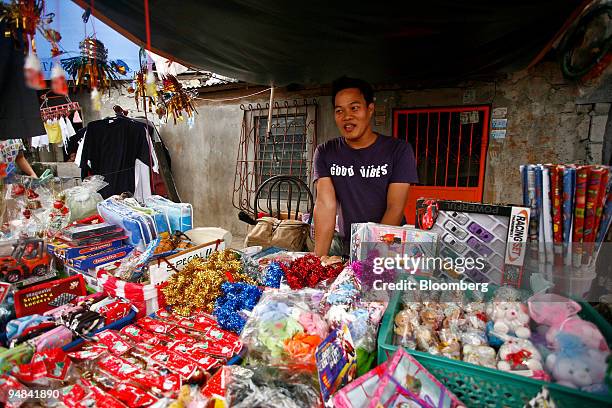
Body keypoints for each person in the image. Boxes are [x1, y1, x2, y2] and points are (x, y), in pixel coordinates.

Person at [312, 76, 418, 259]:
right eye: (339, 111)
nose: (347, 116)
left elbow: (395, 208)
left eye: (354, 108)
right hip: (349, 245)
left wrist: (371, 257)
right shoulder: (325, 152)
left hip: (390, 245)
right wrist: (316, 261)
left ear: (370, 109)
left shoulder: (398, 150)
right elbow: (325, 205)